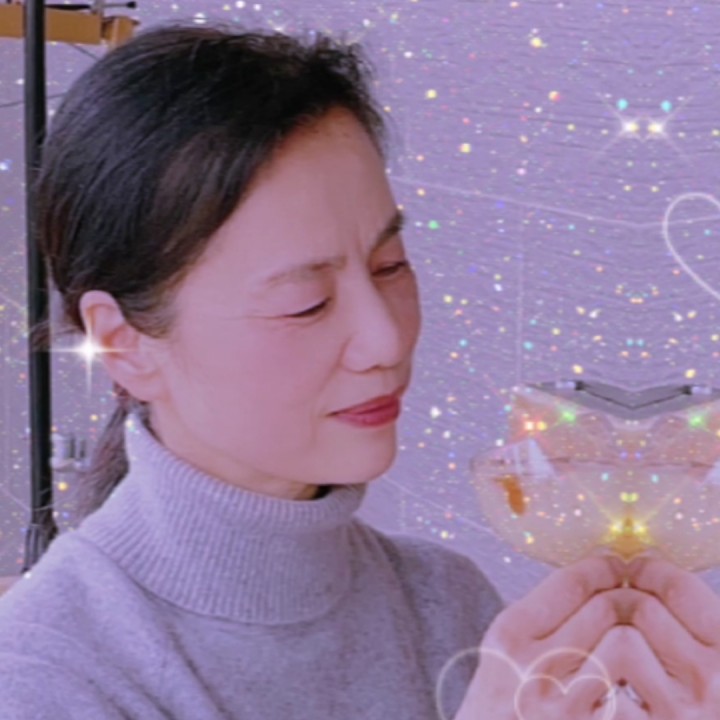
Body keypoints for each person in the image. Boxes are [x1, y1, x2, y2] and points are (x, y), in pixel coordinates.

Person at [0, 20, 718, 720]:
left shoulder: (447, 605)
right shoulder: (43, 672)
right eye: (306, 303)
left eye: (390, 266)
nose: (385, 338)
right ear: (123, 343)